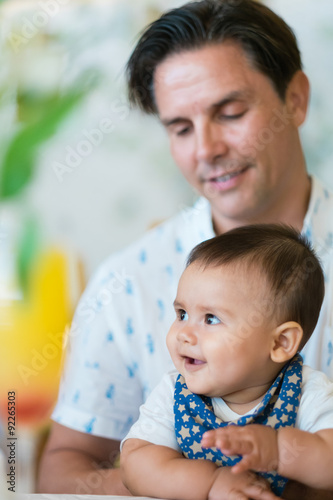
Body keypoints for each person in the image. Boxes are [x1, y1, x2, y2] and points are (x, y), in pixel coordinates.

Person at [37, 0, 333, 497]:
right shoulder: (126, 283)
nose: (206, 149)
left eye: (231, 112)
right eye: (180, 128)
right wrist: (192, 484)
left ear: (295, 100)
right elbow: (59, 474)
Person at [120, 224, 333, 499]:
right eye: (182, 313)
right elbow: (135, 463)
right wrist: (209, 484)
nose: (184, 333)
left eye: (210, 319)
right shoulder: (174, 391)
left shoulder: (307, 392)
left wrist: (278, 451)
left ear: (280, 343)